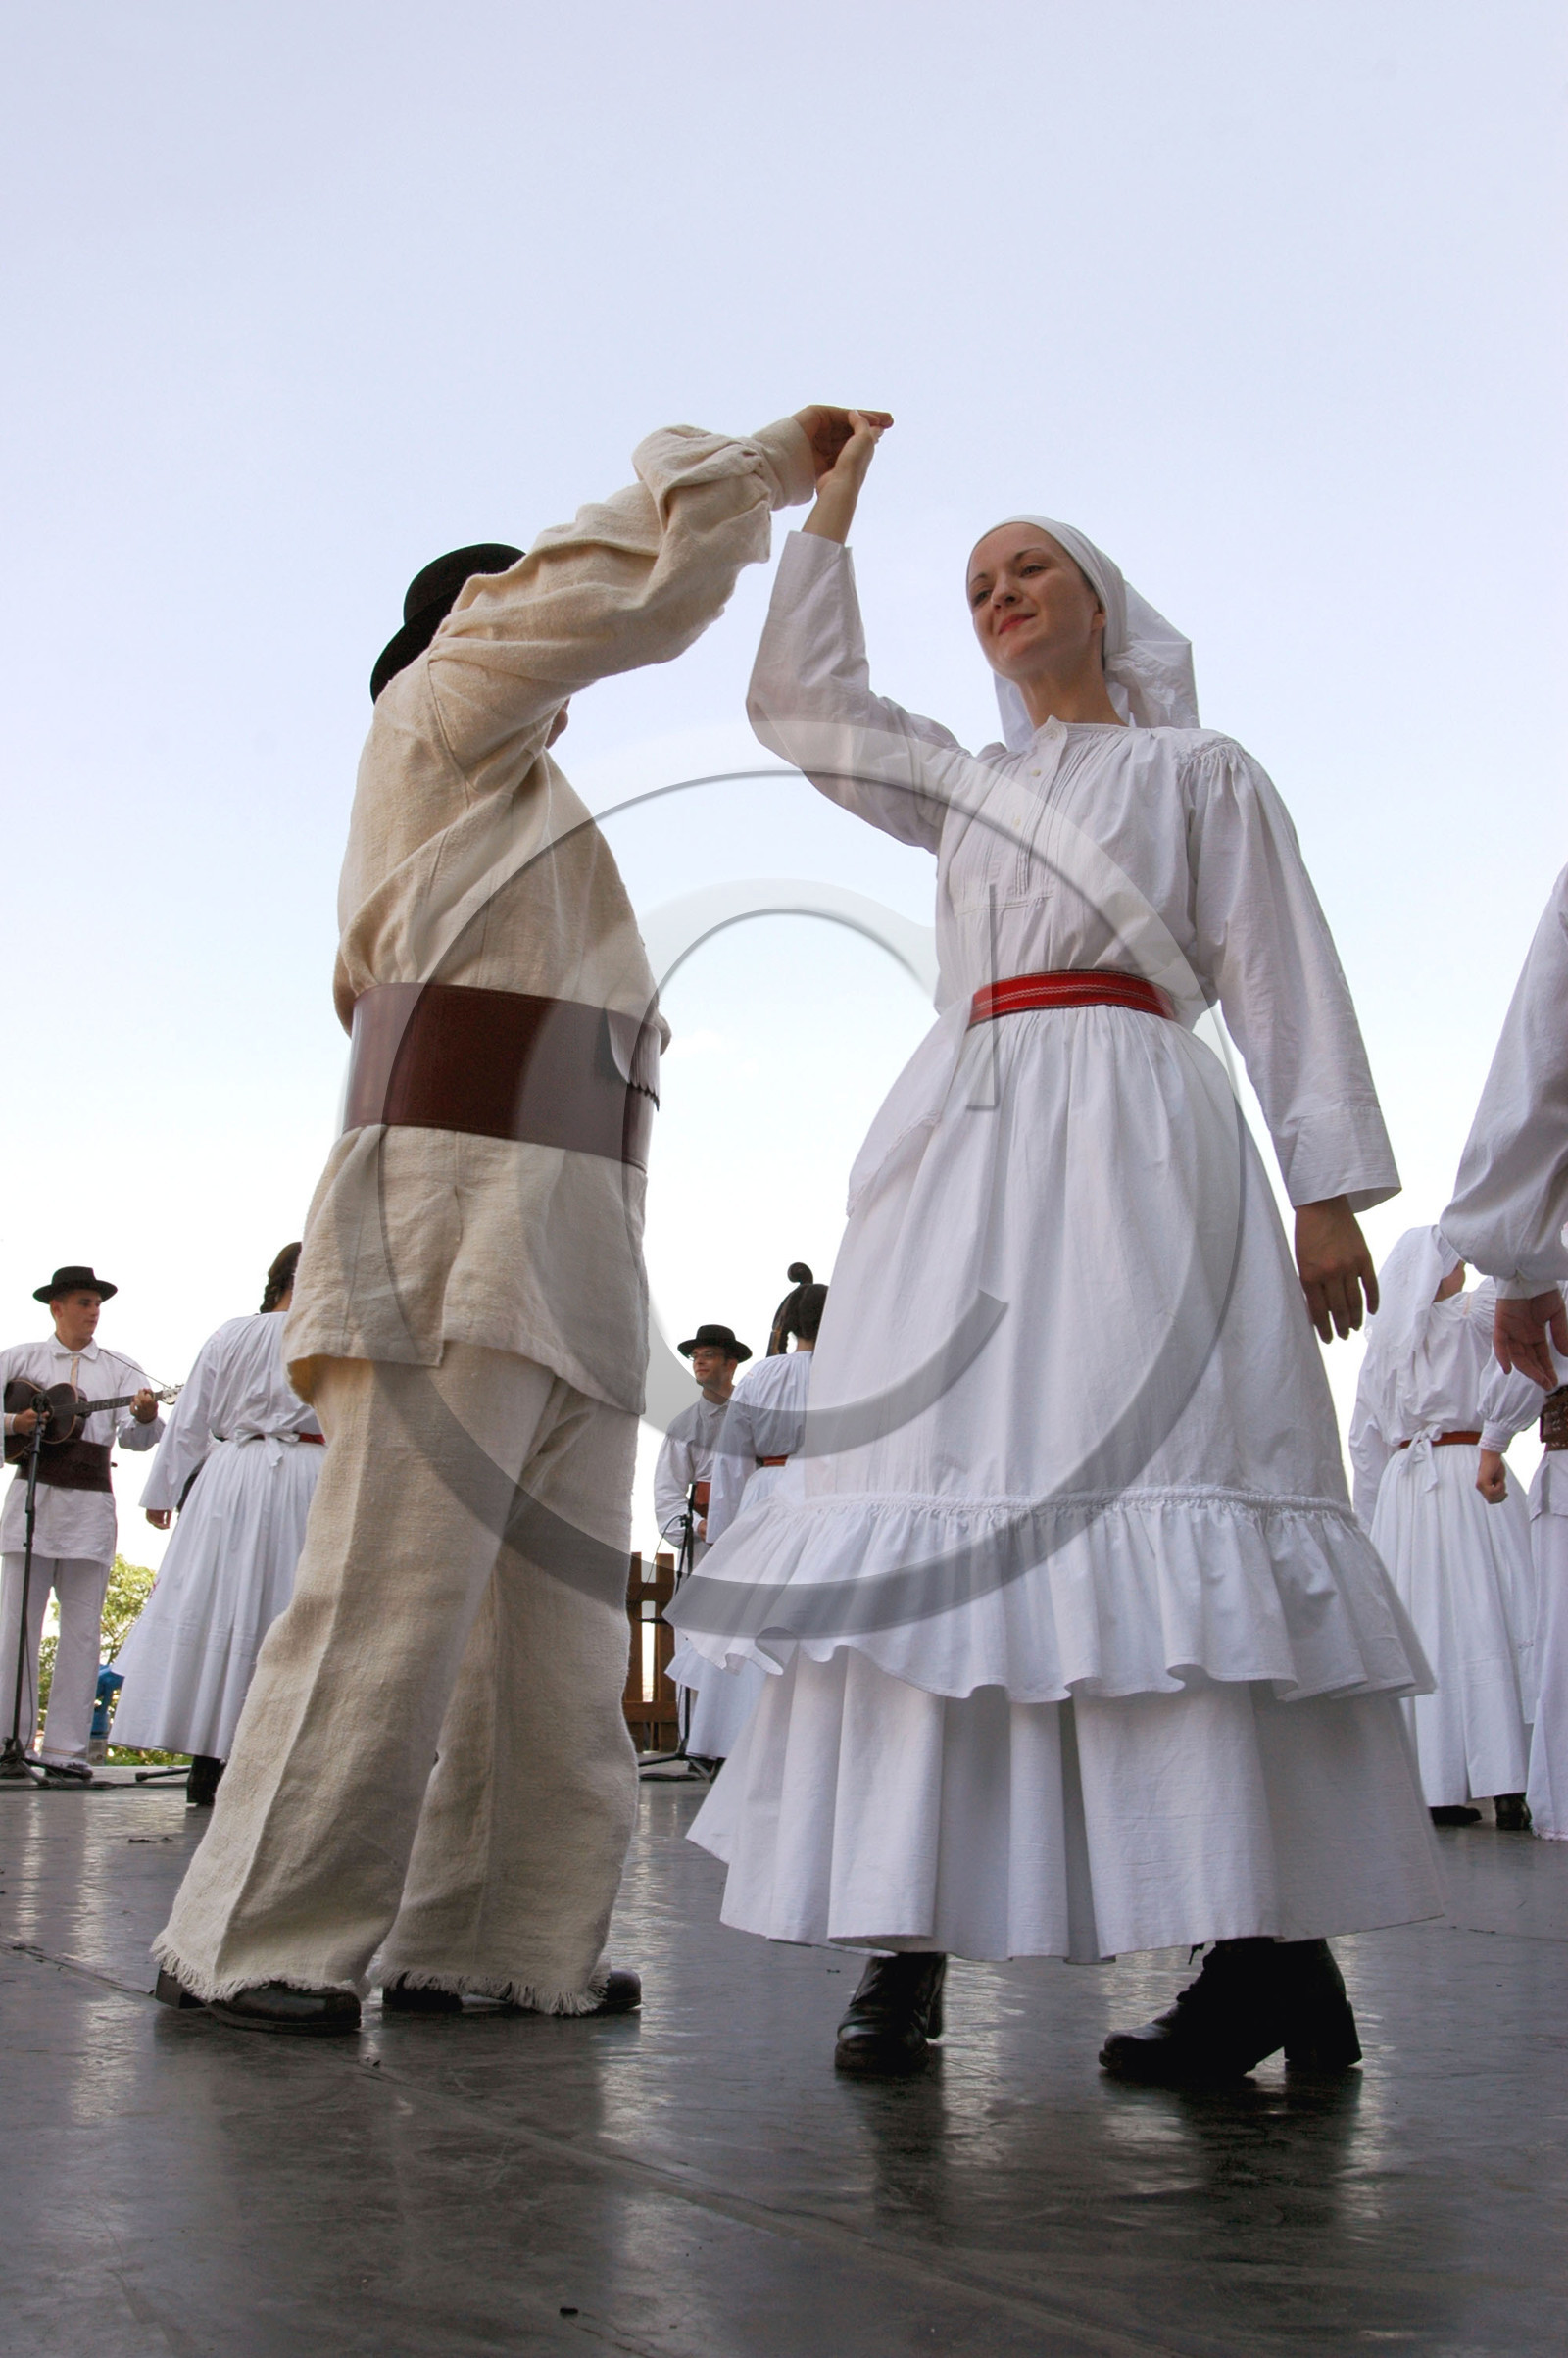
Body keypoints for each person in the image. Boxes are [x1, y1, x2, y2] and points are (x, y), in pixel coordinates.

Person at [671, 414, 1441, 2084]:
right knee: (938, 1514)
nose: (1001, 594)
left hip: (1147, 1140)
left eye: (1031, 570)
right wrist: (837, 519)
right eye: (977, 584)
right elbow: (800, 708)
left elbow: (1279, 965)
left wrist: (1326, 1191)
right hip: (968, 1143)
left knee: (1170, 1495)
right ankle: (901, 1943)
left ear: (1103, 605)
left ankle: (1265, 1952)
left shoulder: (1197, 771)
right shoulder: (963, 784)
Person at [152, 405, 851, 2036]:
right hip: (450, 1217)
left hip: (577, 1231)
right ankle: (255, 1935)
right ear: (471, 625)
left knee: (550, 1640)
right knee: (388, 1603)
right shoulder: (442, 705)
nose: (536, 639)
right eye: (511, 611)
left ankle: (501, 1937)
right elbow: (622, 595)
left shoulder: (531, 810)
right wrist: (755, 467)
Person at [111, 1246, 323, 1807]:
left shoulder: (230, 1334)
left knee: (226, 1603)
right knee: (282, 1604)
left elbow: (190, 1419)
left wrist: (162, 1492)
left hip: (231, 1478)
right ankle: (255, 1763)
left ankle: (211, 1761)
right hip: (305, 1476)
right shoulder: (331, 1338)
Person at [1348, 1228, 1538, 1828]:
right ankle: (1507, 1785)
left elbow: (1365, 1447)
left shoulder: (1387, 1348)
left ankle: (1440, 1787)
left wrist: (1371, 1524)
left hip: (1412, 1492)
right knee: (1491, 1615)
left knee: (1439, 1625)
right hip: (1461, 1474)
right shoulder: (1468, 1316)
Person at [0, 1267, 164, 1783]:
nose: (93, 1312)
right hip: (32, 1497)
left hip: (89, 1506)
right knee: (15, 1626)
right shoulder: (21, 1359)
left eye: (97, 1304)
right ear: (57, 1307)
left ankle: (66, 1750)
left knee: (80, 1630)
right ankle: (9, 1741)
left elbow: (140, 1439)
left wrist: (143, 1417)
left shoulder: (120, 1368)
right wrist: (14, 1424)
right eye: (84, 1302)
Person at [671, 1268, 825, 1760]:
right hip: (827, 1497)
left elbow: (734, 1457)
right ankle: (807, 1736)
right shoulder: (852, 1370)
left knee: (756, 1615)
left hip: (767, 1497)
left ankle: (746, 1738)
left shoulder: (763, 1374)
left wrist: (725, 1532)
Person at [658, 1320, 750, 1761]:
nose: (699, 1362)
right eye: (695, 1356)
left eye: (709, 1355)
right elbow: (667, 1494)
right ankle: (694, 1743)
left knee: (744, 1640)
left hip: (751, 1547)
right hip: (704, 1548)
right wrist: (697, 1528)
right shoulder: (683, 1426)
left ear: (731, 1364)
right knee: (695, 1640)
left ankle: (740, 1742)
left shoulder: (753, 1416)